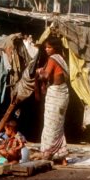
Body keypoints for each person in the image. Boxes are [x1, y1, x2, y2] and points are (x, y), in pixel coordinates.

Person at [37, 36, 69, 164]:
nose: (46, 49)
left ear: (54, 48)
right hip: (63, 93)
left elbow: (46, 76)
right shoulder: (62, 58)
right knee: (58, 125)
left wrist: (39, 71)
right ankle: (62, 157)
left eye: (49, 47)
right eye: (45, 47)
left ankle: (48, 152)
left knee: (51, 125)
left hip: (56, 93)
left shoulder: (53, 59)